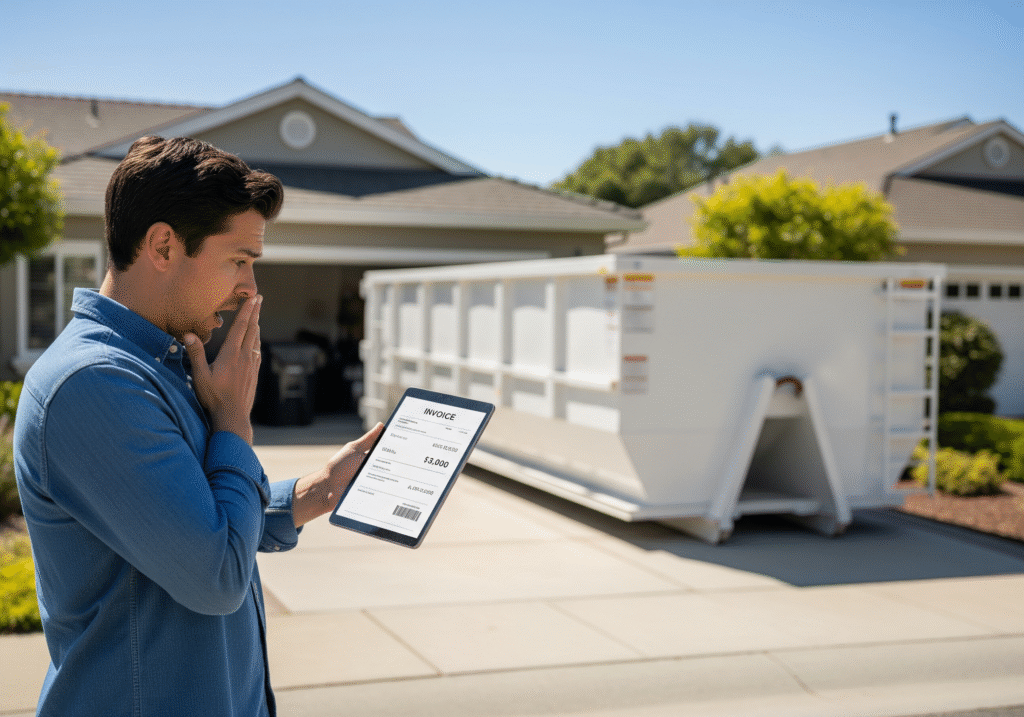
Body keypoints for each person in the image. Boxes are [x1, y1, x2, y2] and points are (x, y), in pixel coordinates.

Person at [13, 136, 382, 716]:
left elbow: (195, 517)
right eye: (239, 260)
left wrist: (315, 493)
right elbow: (214, 574)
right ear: (163, 244)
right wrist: (233, 422)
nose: (249, 289)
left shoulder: (161, 365)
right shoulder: (95, 384)